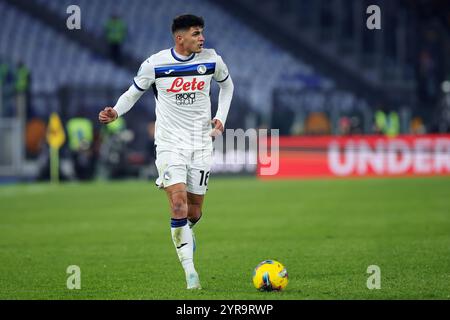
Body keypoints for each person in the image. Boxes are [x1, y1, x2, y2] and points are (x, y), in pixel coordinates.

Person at [98, 14, 234, 290]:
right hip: (170, 144)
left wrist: (221, 116)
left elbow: (227, 86)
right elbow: (133, 92)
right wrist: (115, 110)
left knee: (193, 213)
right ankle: (190, 274)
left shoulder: (211, 60)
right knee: (178, 205)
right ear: (179, 37)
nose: (202, 38)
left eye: (202, 33)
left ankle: (182, 232)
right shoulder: (155, 64)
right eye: (196, 33)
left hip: (201, 144)